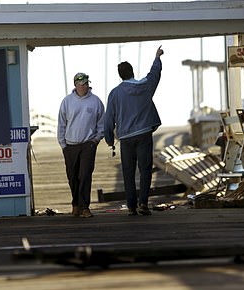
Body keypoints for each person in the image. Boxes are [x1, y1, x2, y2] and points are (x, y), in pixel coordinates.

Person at [104, 46, 164, 216]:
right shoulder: (145, 86)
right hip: (144, 134)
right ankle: (143, 203)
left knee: (128, 172)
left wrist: (109, 139)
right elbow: (154, 75)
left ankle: (131, 206)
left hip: (126, 138)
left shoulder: (114, 94)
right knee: (145, 170)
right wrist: (157, 57)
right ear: (132, 72)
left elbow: (108, 119)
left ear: (120, 75)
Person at [57, 72, 105, 218]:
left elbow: (101, 123)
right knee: (72, 176)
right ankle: (75, 204)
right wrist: (63, 144)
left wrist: (96, 140)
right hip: (70, 145)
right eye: (81, 84)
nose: (84, 86)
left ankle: (85, 207)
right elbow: (61, 123)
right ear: (75, 85)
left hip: (88, 144)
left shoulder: (96, 101)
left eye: (85, 84)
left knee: (85, 175)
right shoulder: (67, 101)